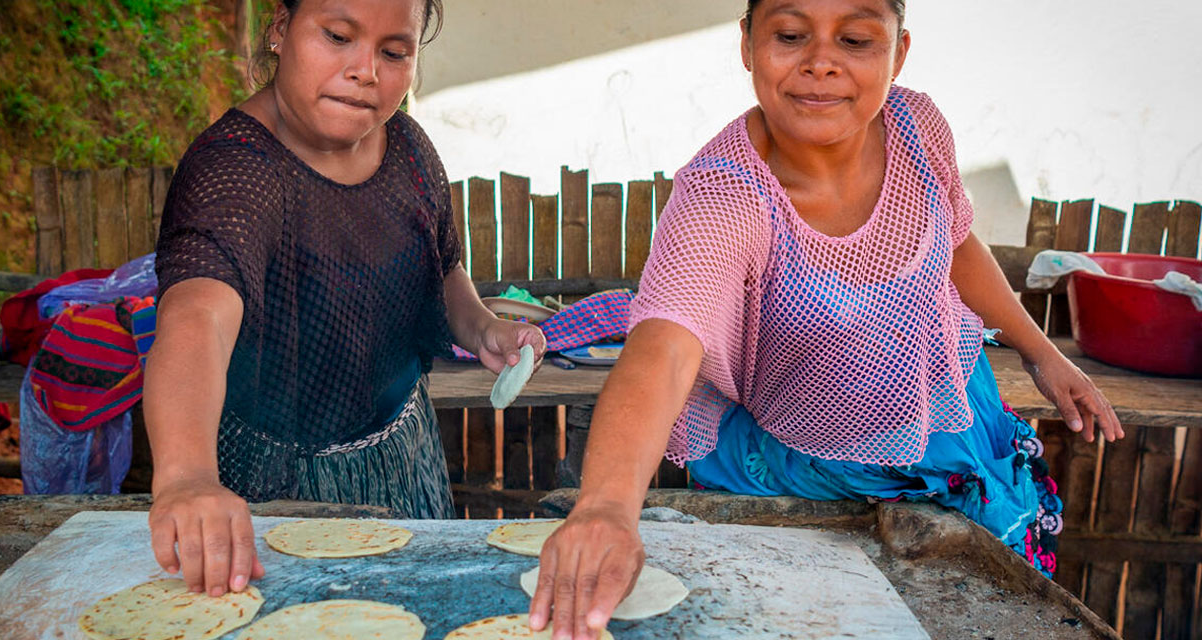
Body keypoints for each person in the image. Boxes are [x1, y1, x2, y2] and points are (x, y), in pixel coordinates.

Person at [528, 1, 1124, 639]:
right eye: (789, 35)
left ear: (898, 51)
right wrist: (607, 508)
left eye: (857, 39)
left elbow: (954, 241)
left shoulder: (917, 126)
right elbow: (665, 347)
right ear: (748, 46)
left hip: (952, 424)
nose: (821, 63)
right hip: (819, 465)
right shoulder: (725, 194)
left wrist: (1041, 353)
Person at [145, 0, 545, 599]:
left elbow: (441, 269)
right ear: (280, 29)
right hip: (279, 484)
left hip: (406, 454)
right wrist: (186, 477)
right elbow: (197, 315)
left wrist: (483, 328)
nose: (367, 71)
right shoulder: (235, 171)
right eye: (337, 36)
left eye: (394, 52)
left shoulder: (409, 148)